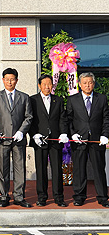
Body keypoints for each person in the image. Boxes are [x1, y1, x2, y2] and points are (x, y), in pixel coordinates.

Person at [0, 67, 33, 208]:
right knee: (3, 170)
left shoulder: (24, 97)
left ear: (16, 80)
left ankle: (19, 196)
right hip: (2, 140)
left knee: (20, 169)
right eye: (7, 79)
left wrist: (21, 131)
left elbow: (29, 117)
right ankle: (4, 196)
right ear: (3, 80)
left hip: (18, 139)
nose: (9, 82)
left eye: (12, 79)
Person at [66, 72, 109, 207]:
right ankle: (79, 196)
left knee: (99, 169)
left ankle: (102, 197)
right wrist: (72, 134)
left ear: (94, 83)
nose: (88, 85)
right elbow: (68, 120)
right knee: (79, 169)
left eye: (90, 82)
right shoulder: (72, 99)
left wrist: (105, 135)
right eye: (85, 83)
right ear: (79, 84)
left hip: (97, 140)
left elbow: (106, 119)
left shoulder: (101, 99)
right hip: (79, 140)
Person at [29, 74, 69, 207]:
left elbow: (62, 119)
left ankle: (59, 197)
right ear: (39, 85)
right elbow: (30, 120)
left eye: (49, 84)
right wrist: (34, 135)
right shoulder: (32, 100)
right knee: (41, 170)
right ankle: (42, 197)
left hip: (55, 140)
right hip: (40, 140)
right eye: (44, 84)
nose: (47, 87)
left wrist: (63, 133)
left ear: (53, 85)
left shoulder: (58, 100)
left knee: (57, 169)